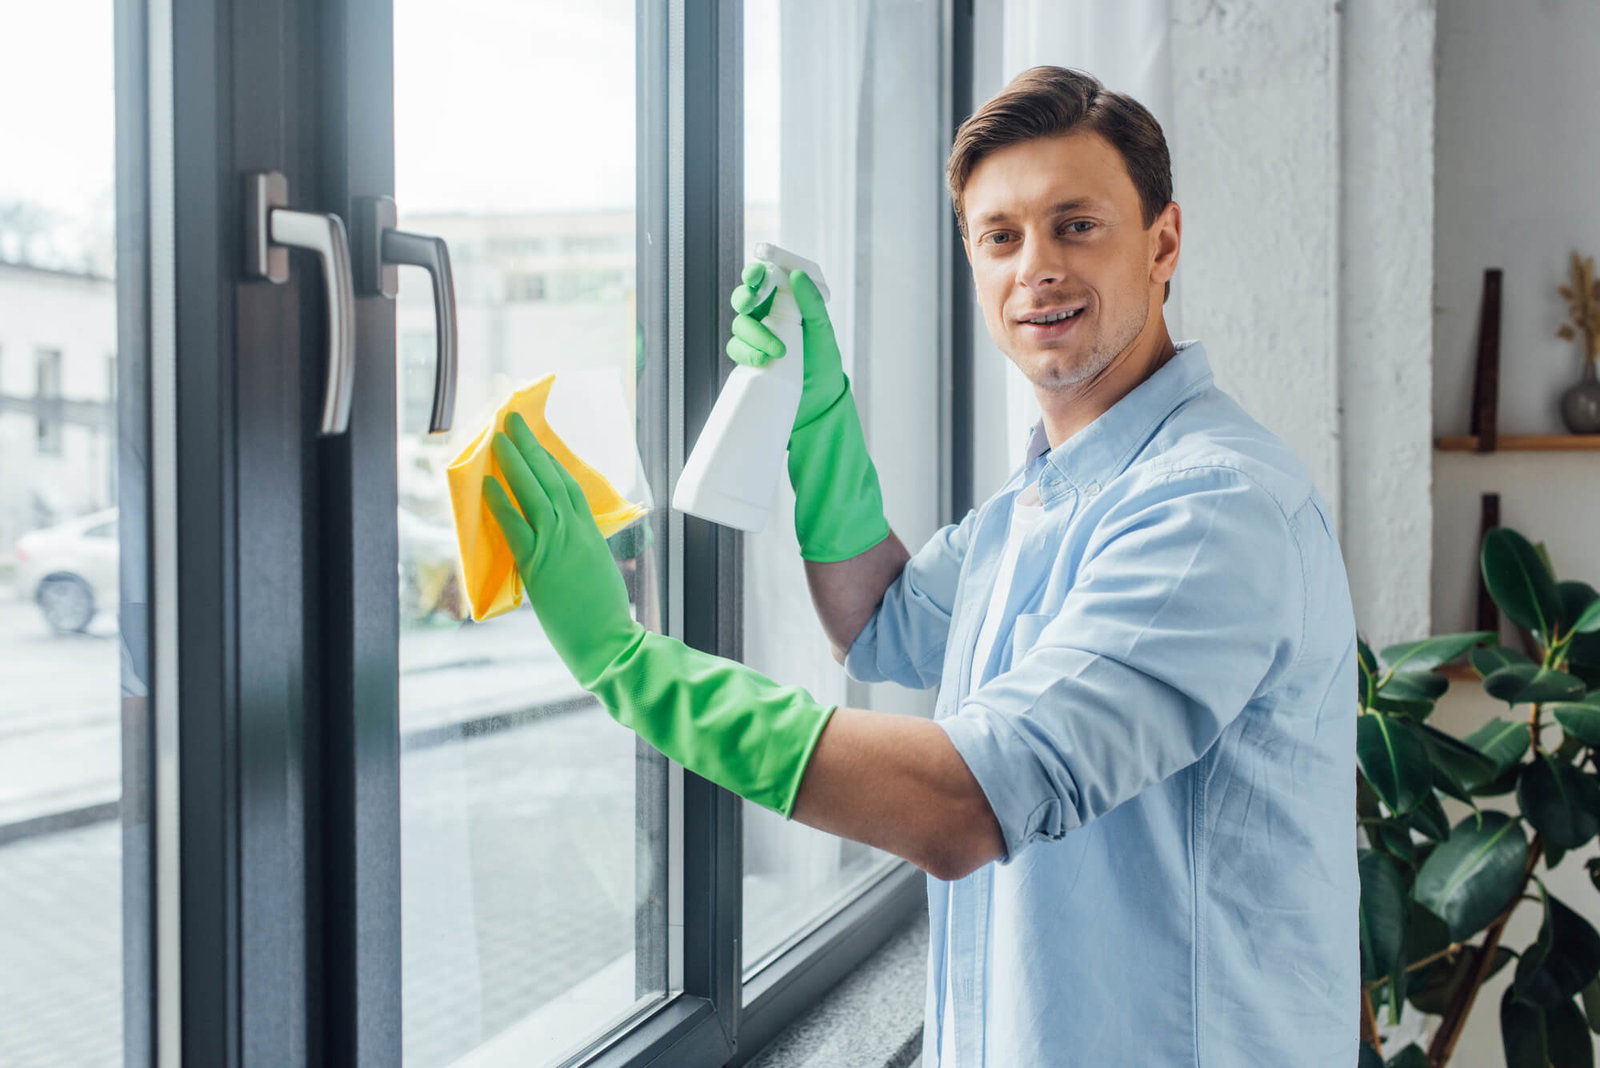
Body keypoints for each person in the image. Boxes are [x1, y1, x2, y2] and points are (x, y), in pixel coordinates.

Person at [484, 65, 1357, 1067]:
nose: (1035, 268)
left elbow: (963, 804)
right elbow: (882, 620)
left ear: (1162, 243)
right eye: (1000, 236)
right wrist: (815, 411)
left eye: (1076, 225)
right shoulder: (1053, 492)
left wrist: (625, 667)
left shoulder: (1209, 508)